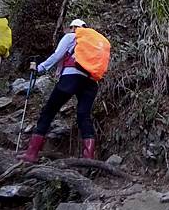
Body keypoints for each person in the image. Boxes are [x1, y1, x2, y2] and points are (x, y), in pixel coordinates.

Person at [20, 19, 110, 163]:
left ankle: (31, 153)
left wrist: (40, 68)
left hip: (71, 77)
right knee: (83, 116)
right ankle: (88, 159)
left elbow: (57, 56)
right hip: (91, 82)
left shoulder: (71, 36)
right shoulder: (94, 42)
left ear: (74, 27)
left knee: (49, 111)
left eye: (70, 27)